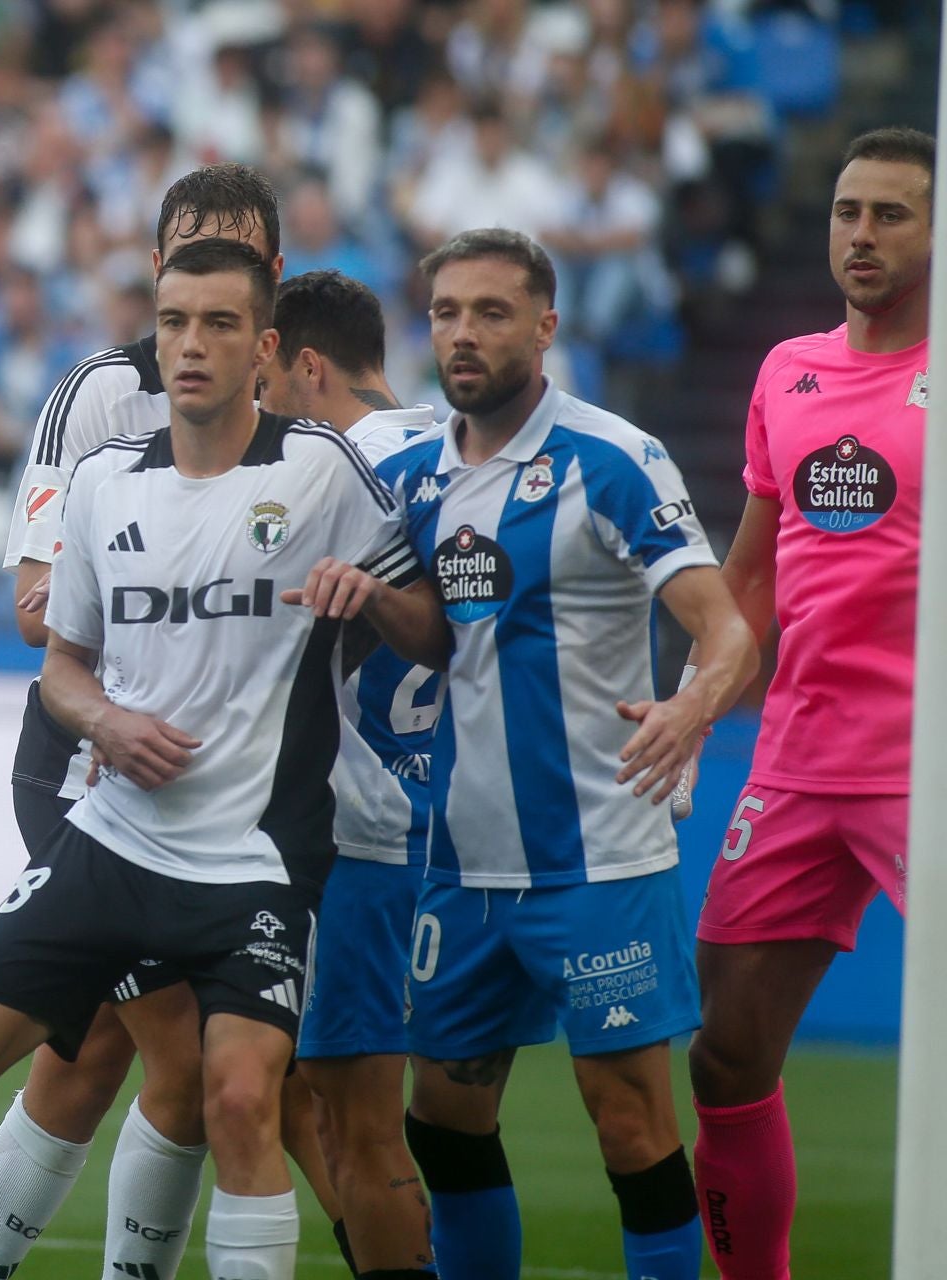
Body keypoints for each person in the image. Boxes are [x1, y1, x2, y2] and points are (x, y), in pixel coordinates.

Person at [0, 237, 446, 1280]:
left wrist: (376, 598)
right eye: (176, 320)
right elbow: (63, 666)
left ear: (263, 346)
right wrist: (103, 723)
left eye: (220, 324)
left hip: (256, 862)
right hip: (113, 838)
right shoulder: (102, 481)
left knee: (236, 1099)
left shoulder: (323, 472)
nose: (193, 344)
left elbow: (435, 629)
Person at [372, 228, 757, 1280]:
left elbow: (727, 629)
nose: (463, 332)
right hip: (461, 863)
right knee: (443, 1123)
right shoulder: (412, 474)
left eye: (491, 312)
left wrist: (691, 708)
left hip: (597, 862)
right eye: (447, 311)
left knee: (631, 1129)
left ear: (545, 327)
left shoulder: (614, 458)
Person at [686, 126, 931, 1280]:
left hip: (921, 771)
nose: (863, 235)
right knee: (726, 1054)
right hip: (793, 763)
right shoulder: (788, 368)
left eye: (892, 213)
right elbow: (751, 574)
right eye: (847, 212)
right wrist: (694, 709)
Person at [258, 269, 440, 1280]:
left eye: (270, 376)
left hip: (349, 822)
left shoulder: (328, 465)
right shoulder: (446, 449)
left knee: (354, 1114)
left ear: (308, 364)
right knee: (288, 1084)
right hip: (447, 812)